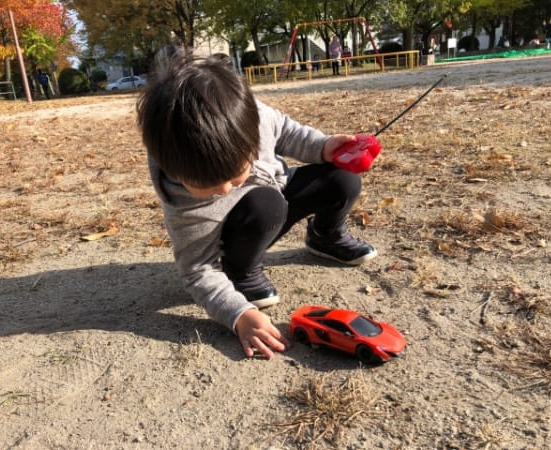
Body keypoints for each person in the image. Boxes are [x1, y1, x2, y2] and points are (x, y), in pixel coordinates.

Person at [137, 52, 377, 359]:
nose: (226, 188)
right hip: (244, 226)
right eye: (207, 186)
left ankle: (324, 235)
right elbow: (197, 270)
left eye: (236, 173)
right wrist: (238, 315)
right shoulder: (183, 205)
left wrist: (323, 146)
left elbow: (288, 131)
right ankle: (241, 269)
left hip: (275, 193)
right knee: (267, 204)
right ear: (172, 170)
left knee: (343, 179)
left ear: (250, 138)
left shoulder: (254, 117)